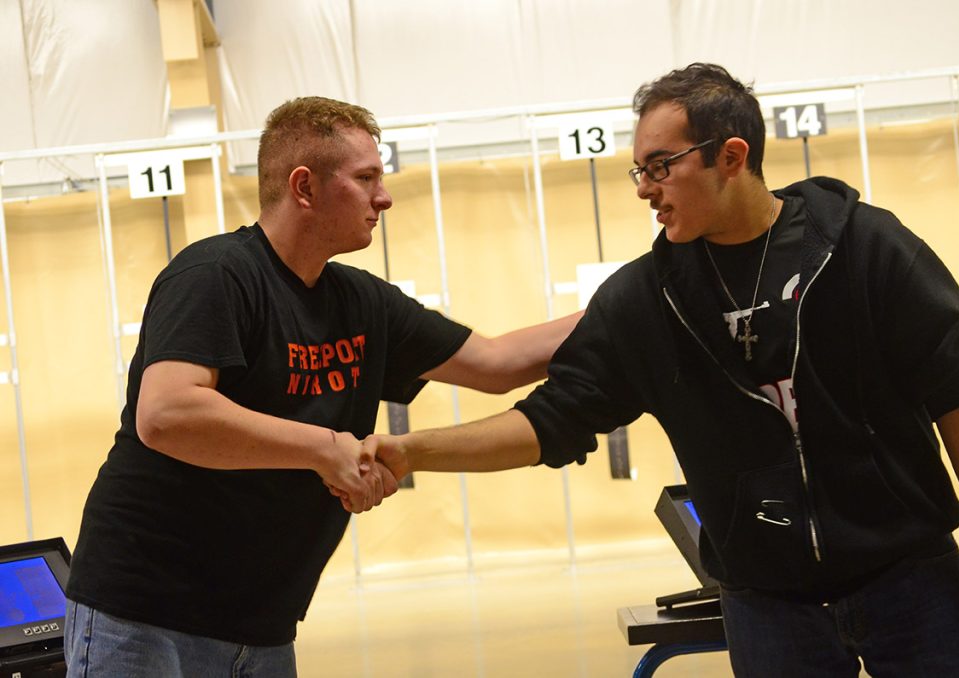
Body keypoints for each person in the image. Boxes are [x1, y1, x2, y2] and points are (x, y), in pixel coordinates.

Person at [366, 63, 959, 676]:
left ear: (731, 157)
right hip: (768, 606)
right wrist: (412, 451)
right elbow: (550, 421)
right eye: (638, 171)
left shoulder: (866, 247)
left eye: (660, 166)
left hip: (912, 581)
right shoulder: (645, 302)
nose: (645, 189)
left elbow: (953, 392)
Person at [62, 96, 580, 677]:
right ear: (304, 187)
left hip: (261, 628)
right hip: (144, 620)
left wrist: (633, 306)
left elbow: (499, 362)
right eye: (365, 179)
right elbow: (166, 414)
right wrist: (324, 449)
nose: (383, 197)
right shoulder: (216, 275)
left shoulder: (362, 301)